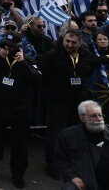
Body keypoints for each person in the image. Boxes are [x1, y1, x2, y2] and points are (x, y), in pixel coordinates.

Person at [0, 31, 41, 188]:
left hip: (20, 110)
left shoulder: (27, 60)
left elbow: (36, 79)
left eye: (11, 46)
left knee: (20, 145)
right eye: (5, 45)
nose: (7, 48)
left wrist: (22, 63)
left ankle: (18, 174)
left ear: (18, 47)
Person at [41, 29, 96, 179]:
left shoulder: (86, 55)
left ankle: (71, 164)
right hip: (57, 101)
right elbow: (44, 77)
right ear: (63, 40)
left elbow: (88, 71)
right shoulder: (52, 55)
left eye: (73, 42)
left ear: (80, 43)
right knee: (55, 134)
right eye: (67, 41)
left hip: (78, 102)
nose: (70, 45)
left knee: (75, 133)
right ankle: (53, 166)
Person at [55, 100, 109, 190]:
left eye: (100, 115)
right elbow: (61, 161)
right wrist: (72, 177)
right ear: (83, 118)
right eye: (93, 116)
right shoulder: (68, 136)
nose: (99, 119)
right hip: (89, 183)